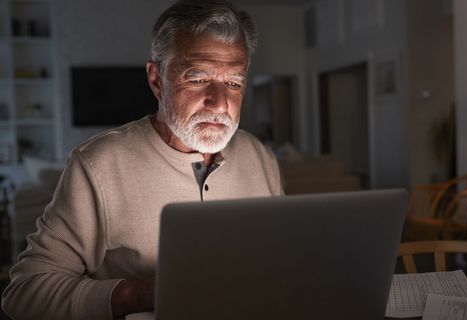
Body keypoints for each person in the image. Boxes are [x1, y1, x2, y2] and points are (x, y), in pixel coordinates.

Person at [1, 0, 284, 319]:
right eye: (198, 78)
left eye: (234, 83)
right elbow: (25, 293)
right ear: (156, 80)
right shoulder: (97, 164)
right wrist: (135, 294)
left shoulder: (260, 157)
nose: (220, 103)